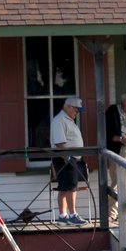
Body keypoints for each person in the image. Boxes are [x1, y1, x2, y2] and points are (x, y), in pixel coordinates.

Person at [50, 96, 87, 226]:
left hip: (69, 158)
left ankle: (63, 216)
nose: (77, 113)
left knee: (66, 187)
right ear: (69, 107)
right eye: (76, 110)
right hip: (65, 158)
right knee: (70, 187)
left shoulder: (68, 120)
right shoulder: (59, 120)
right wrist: (69, 158)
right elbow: (59, 143)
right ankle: (72, 215)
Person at [105, 90, 126, 221]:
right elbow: (107, 134)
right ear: (125, 101)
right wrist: (121, 139)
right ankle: (112, 213)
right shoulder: (113, 111)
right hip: (119, 149)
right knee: (117, 181)